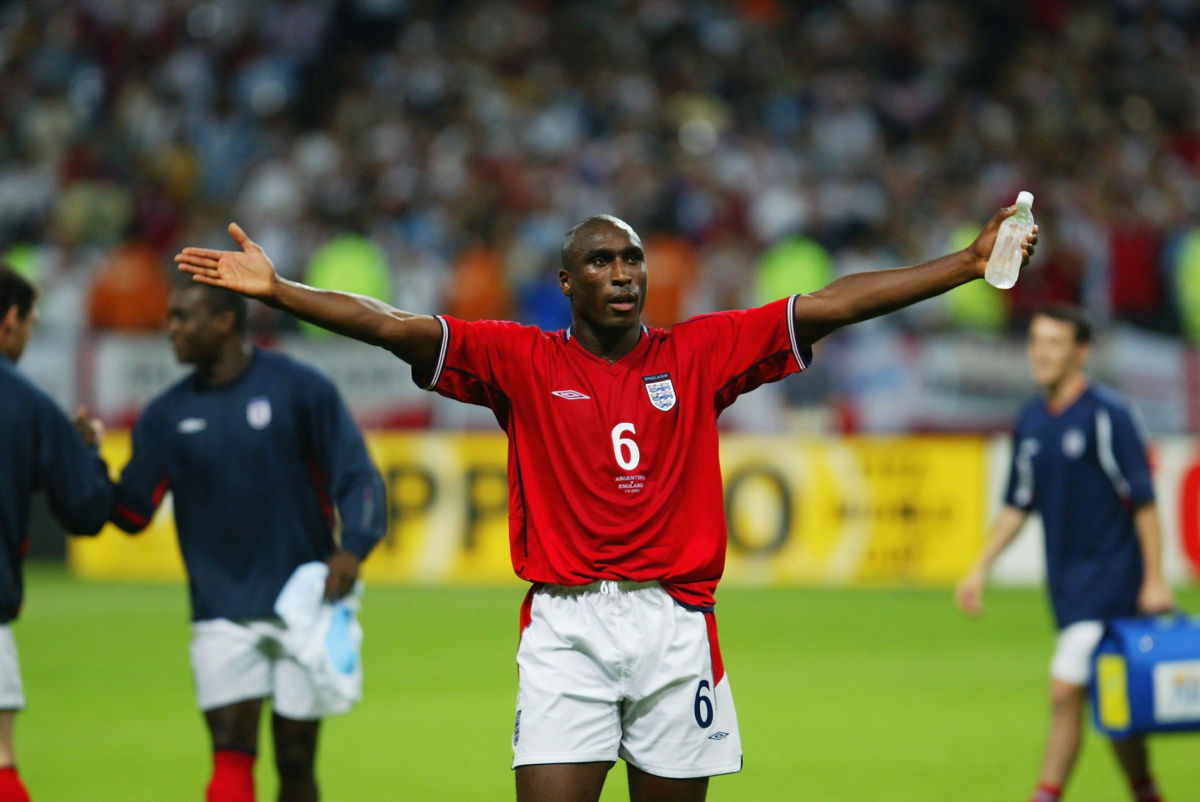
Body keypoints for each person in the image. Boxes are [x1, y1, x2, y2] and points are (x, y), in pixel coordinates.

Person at [175, 206, 1036, 802]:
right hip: (566, 629)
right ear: (566, 282)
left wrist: (966, 262)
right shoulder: (519, 360)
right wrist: (282, 291)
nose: (622, 275)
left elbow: (833, 305)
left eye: (632, 261)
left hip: (674, 626)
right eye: (601, 262)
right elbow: (394, 323)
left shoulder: (699, 352)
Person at [109, 282, 387, 802]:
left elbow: (357, 475)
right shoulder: (166, 414)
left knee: (297, 758)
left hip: (305, 603)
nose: (170, 328)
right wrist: (87, 467)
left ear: (224, 322)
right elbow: (132, 511)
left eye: (183, 317)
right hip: (221, 610)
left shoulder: (299, 387)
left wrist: (355, 546)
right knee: (231, 751)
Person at [956, 305, 1176, 802]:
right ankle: (1147, 791)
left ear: (1082, 352)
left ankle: (1045, 794)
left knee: (1064, 689)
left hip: (1112, 579)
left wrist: (1155, 578)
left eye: (1055, 343)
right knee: (1112, 701)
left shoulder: (1107, 415)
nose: (1042, 353)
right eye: (1036, 341)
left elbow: (1142, 502)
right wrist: (979, 567)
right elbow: (1017, 504)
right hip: (1068, 585)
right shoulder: (1031, 420)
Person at [0, 264, 113, 802]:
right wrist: (83, 450)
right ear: (10, 320)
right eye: (31, 324)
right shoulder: (25, 403)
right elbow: (87, 510)